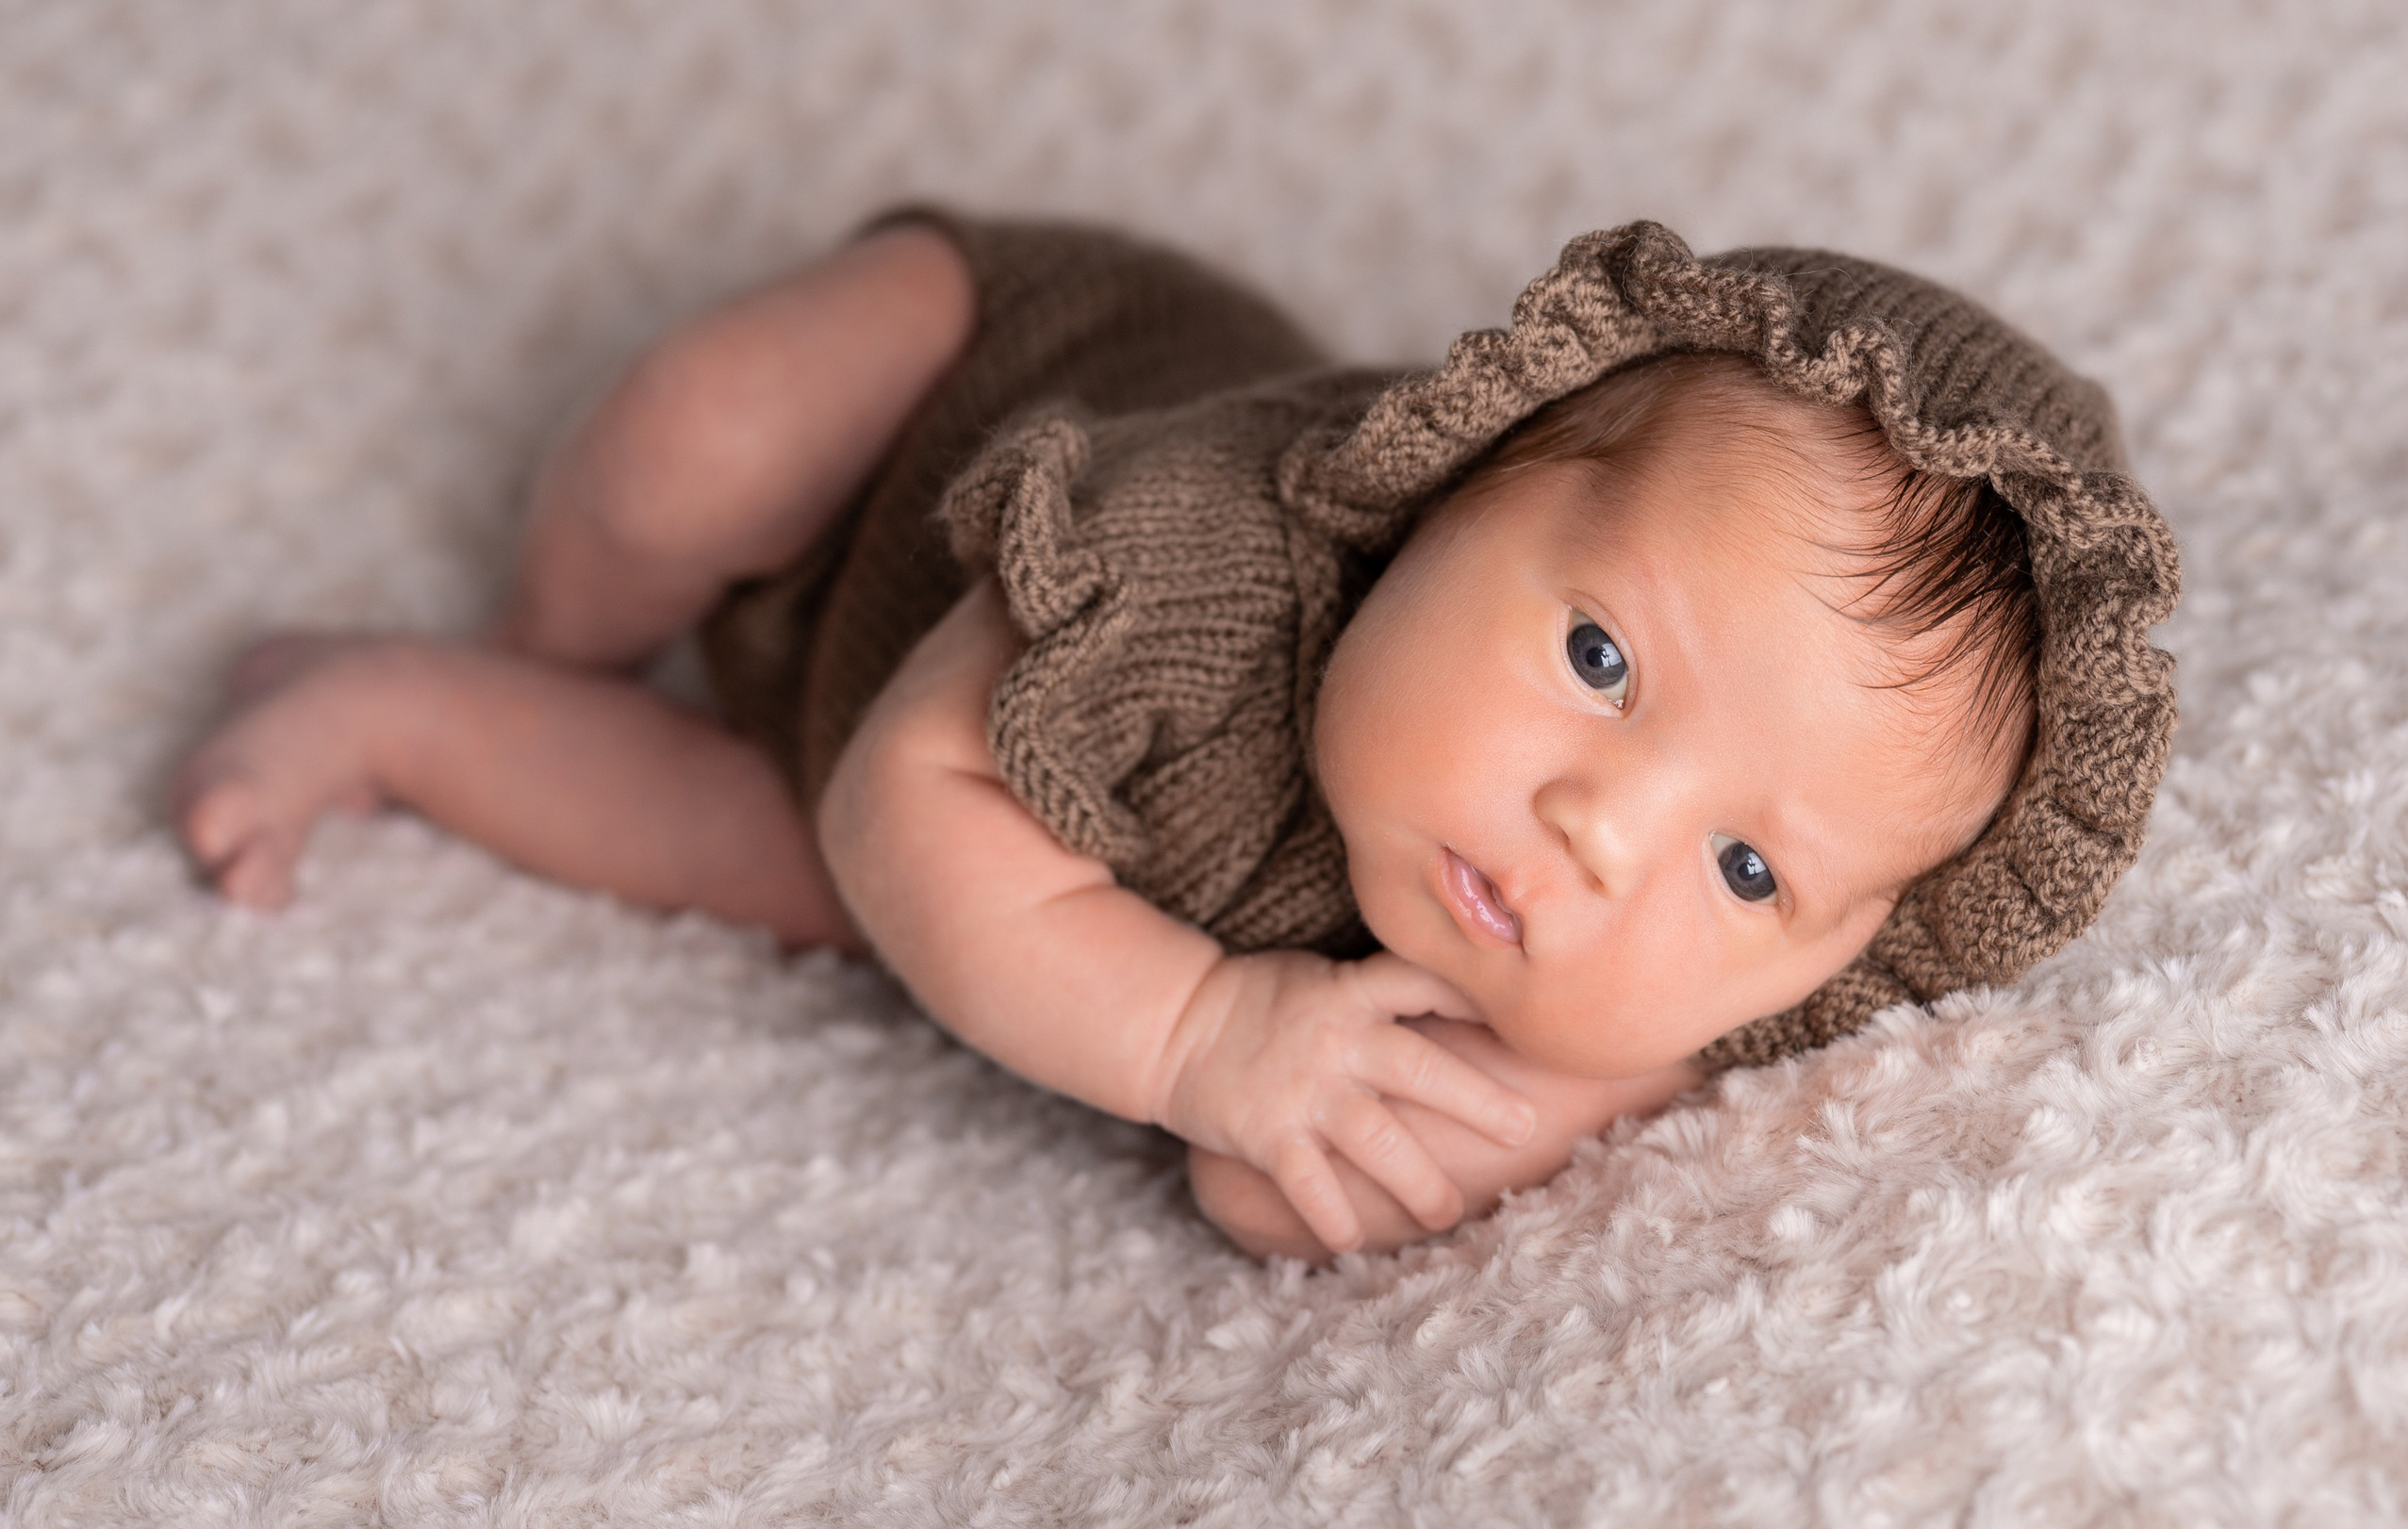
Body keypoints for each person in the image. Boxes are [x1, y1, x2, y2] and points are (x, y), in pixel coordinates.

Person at [172, 212, 2180, 1260]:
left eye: (1749, 870)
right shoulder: (1205, 550)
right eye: (1596, 661)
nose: (1597, 837)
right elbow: (909, 789)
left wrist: (1482, 1103)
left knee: (802, 883)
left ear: (1843, 952)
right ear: (1452, 479)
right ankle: (553, 631)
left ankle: (414, 713)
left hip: (927, 846)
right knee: (698, 441)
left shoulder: (1617, 1001)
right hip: (955, 406)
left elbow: (1261, 1195)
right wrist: (1204, 1041)